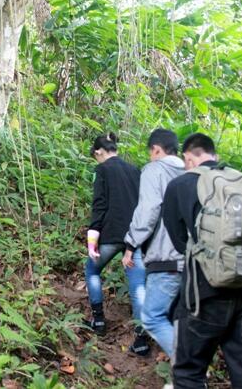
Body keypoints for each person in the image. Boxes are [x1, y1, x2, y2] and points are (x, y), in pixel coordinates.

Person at [163, 133, 242, 389]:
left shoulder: (180, 185)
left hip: (205, 295)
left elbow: (179, 243)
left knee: (188, 373)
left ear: (188, 158)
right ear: (215, 156)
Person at [122, 129, 185, 359]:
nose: (150, 157)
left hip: (166, 256)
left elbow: (148, 211)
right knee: (178, 320)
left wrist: (131, 244)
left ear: (157, 150)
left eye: (151, 153)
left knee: (153, 318)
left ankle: (191, 375)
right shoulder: (192, 172)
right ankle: (184, 378)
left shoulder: (155, 170)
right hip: (195, 261)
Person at [84, 133, 145, 344]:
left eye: (96, 156)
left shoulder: (102, 169)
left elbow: (99, 204)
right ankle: (141, 340)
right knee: (138, 286)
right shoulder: (135, 170)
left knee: (92, 270)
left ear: (99, 152)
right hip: (134, 237)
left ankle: (99, 321)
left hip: (110, 233)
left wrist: (93, 236)